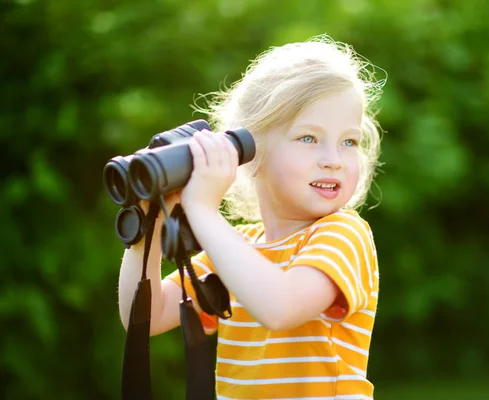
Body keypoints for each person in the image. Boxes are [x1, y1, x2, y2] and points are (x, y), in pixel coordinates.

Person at [118, 34, 384, 399]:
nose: (333, 159)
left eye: (349, 141)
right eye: (308, 138)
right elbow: (148, 315)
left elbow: (280, 307)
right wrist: (148, 226)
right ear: (252, 155)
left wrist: (203, 211)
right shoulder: (237, 248)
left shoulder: (343, 234)